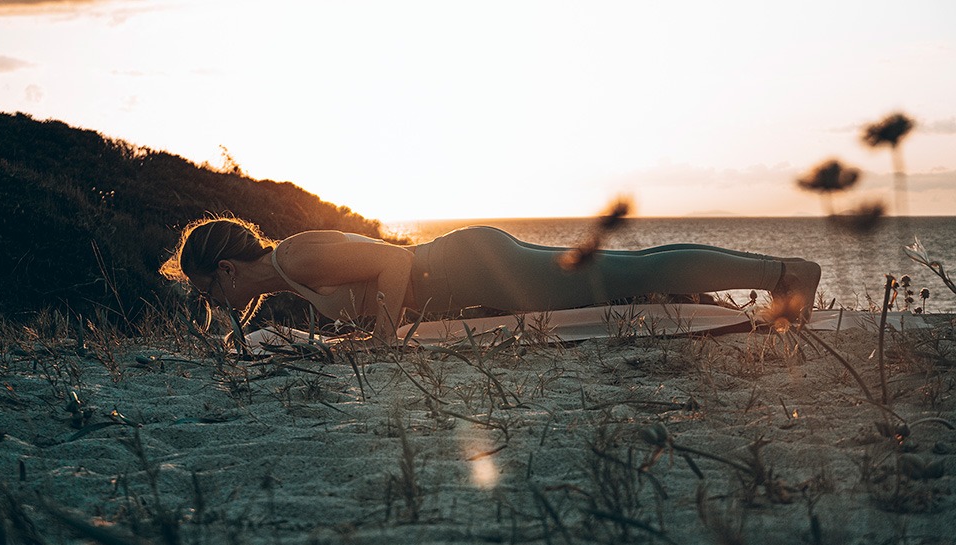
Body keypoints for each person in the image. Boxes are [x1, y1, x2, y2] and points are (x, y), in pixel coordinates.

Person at [159, 216, 822, 343]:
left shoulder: (296, 259)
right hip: (472, 269)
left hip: (473, 265)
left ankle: (786, 273)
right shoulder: (280, 282)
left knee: (629, 273)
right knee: (626, 275)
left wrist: (385, 339)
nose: (208, 302)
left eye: (206, 290)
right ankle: (775, 276)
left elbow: (394, 260)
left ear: (225, 269)